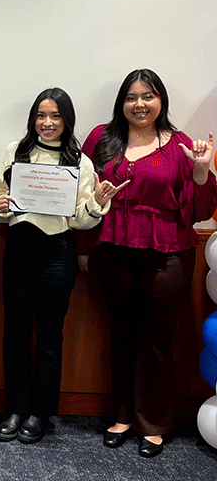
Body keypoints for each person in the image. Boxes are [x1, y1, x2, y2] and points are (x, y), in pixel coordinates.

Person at [82, 69, 217, 458]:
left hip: (167, 255)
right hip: (112, 251)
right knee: (121, 336)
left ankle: (154, 423)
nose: (139, 104)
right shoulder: (101, 139)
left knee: (156, 341)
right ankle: (122, 416)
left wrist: (201, 169)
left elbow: (199, 210)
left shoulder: (179, 147)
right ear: (121, 102)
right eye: (131, 97)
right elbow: (81, 197)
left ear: (161, 102)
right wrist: (84, 246)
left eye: (148, 96)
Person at [0, 88, 123, 445]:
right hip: (20, 248)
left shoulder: (79, 162)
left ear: (67, 120)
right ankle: (16, 408)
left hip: (57, 253)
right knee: (16, 332)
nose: (47, 123)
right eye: (41, 116)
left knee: (50, 337)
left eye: (55, 116)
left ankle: (40, 412)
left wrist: (97, 203)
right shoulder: (14, 152)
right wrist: (1, 204)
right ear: (33, 118)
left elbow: (80, 221)